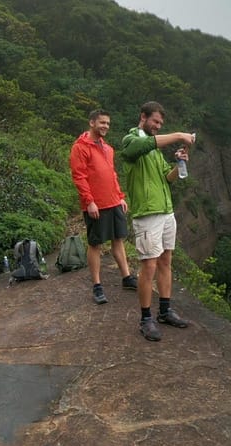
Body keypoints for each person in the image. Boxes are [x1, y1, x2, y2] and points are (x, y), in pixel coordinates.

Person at [119, 101, 196, 341]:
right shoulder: (131, 140)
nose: (158, 126)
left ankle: (164, 310)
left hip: (165, 211)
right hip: (147, 214)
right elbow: (139, 147)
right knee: (149, 265)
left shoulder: (154, 150)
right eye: (155, 122)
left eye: (161, 124)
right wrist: (177, 136)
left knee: (165, 261)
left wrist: (179, 162)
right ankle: (145, 319)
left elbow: (169, 177)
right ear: (143, 117)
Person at [69, 108, 138, 304]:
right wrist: (89, 201)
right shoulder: (80, 147)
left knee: (118, 239)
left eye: (108, 123)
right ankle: (97, 286)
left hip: (114, 202)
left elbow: (112, 174)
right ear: (92, 123)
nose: (105, 126)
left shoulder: (107, 148)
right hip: (95, 205)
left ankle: (126, 277)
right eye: (102, 123)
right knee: (96, 244)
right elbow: (79, 176)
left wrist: (120, 196)